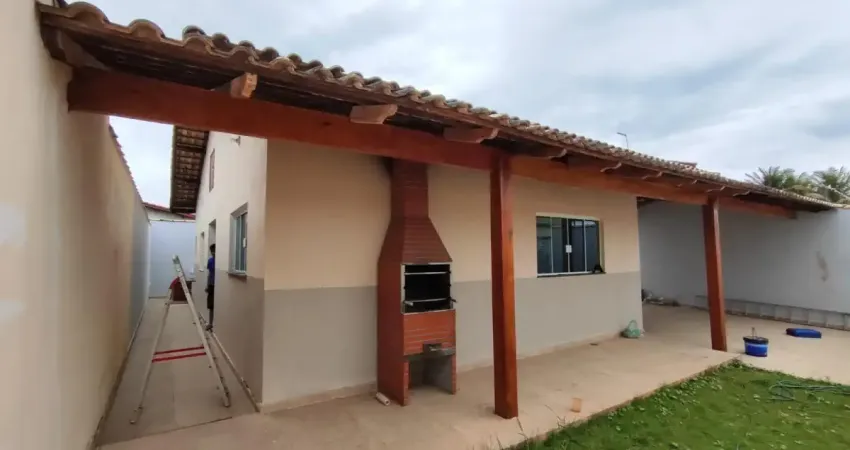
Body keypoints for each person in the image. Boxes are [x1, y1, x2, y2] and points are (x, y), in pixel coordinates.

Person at [205, 244, 216, 331]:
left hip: (218, 286)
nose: (213, 253)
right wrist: (207, 285)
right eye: (212, 251)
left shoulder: (220, 261)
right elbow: (209, 274)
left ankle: (214, 323)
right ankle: (210, 323)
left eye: (214, 251)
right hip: (211, 285)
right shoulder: (210, 261)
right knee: (211, 305)